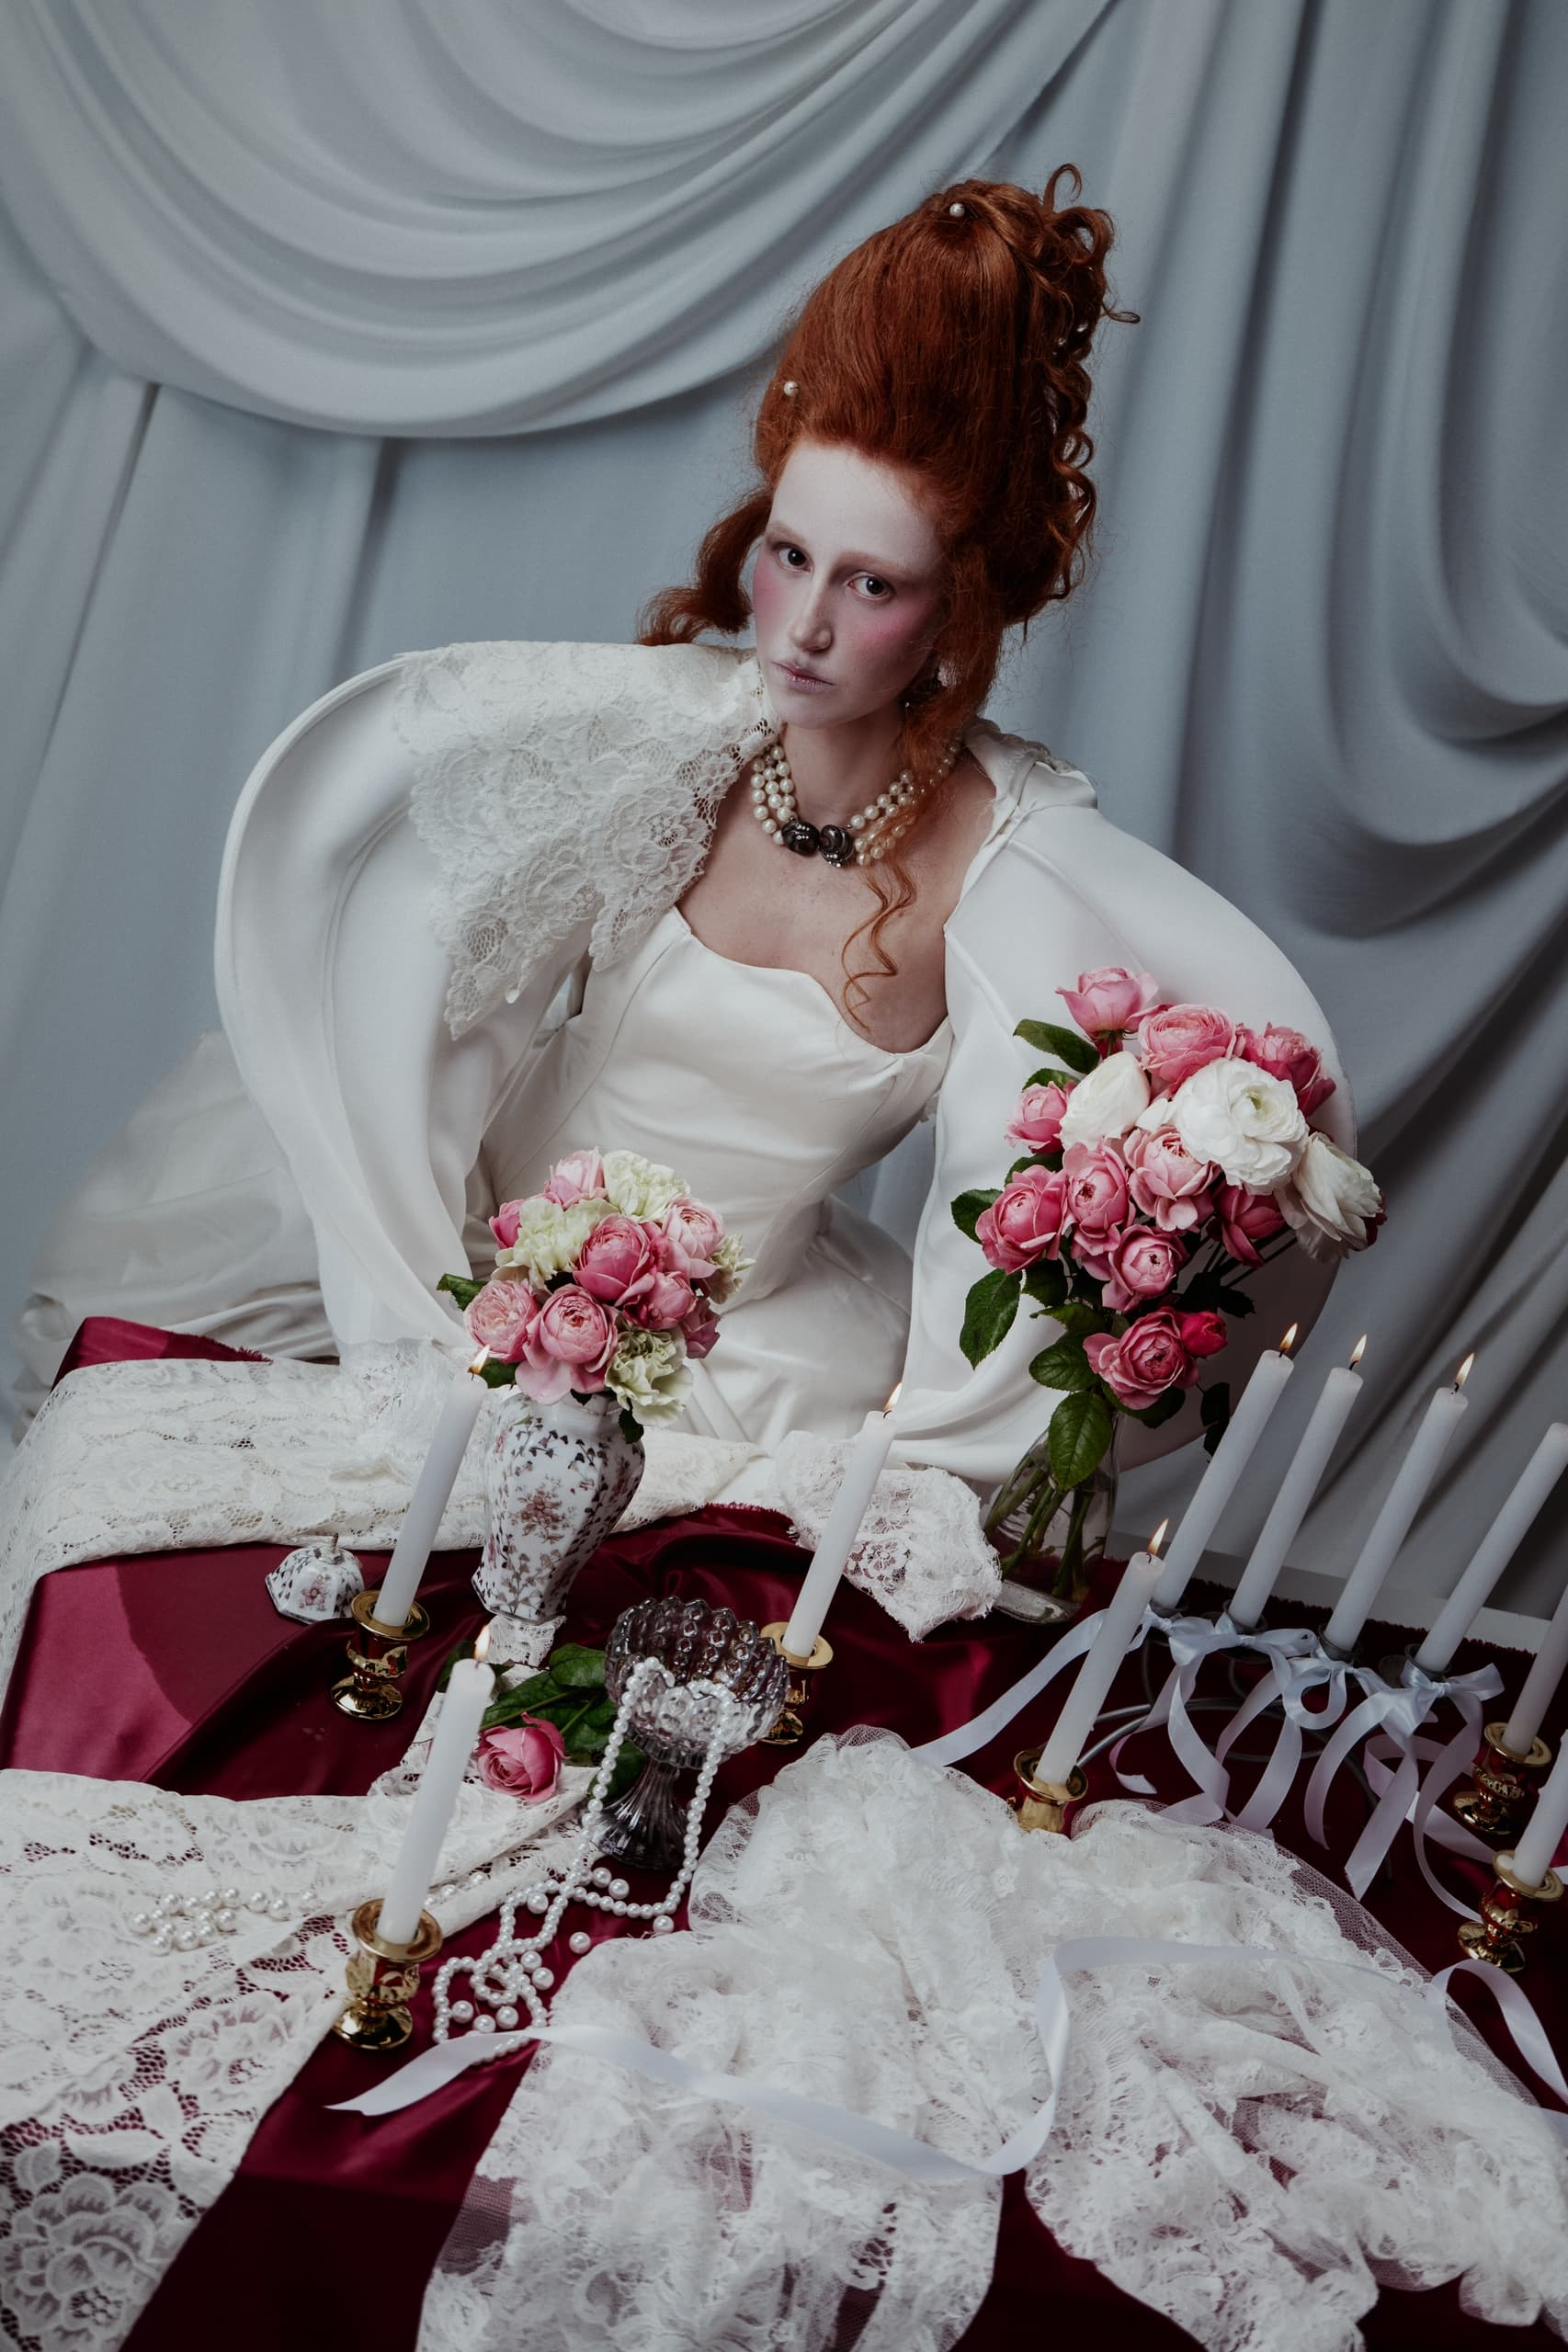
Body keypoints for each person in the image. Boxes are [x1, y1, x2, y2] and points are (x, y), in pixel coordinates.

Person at [13, 170, 1351, 1556]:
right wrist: (418, 1305)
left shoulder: (1006, 868)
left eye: (871, 584)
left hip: (758, 1366)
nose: (805, 626)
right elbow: (433, 972)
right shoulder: (667, 746)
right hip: (475, 1259)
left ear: (955, 617)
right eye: (788, 555)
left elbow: (1226, 1081)